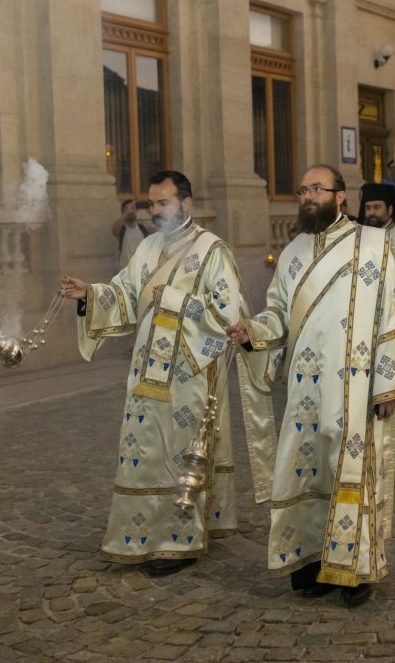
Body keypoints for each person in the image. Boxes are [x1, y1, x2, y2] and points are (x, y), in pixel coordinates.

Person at [59, 171, 272, 578]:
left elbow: (231, 316)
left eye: (164, 203)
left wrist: (176, 301)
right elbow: (124, 296)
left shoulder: (212, 252)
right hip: (145, 371)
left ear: (186, 204)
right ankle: (137, 535)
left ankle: (180, 539)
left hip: (188, 374)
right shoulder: (148, 247)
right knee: (142, 451)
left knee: (177, 452)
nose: (155, 211)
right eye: (151, 204)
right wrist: (91, 294)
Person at [228, 164, 395, 607]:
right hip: (305, 388)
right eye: (303, 189)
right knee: (305, 469)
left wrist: (386, 384)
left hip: (354, 384)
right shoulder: (293, 251)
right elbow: (277, 311)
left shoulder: (373, 244)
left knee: (347, 469)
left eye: (318, 188)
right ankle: (312, 563)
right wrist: (254, 332)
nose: (308, 195)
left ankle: (354, 571)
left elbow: (388, 317)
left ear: (340, 197)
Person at [111, 197, 152, 268]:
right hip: (125, 272)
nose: (131, 210)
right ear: (123, 213)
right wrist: (126, 213)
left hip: (142, 271)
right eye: (127, 208)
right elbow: (114, 230)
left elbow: (161, 229)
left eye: (133, 208)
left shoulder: (143, 228)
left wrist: (151, 210)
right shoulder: (122, 229)